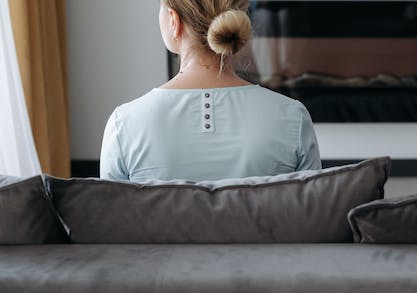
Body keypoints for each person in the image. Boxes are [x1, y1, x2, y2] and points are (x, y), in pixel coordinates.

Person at [100, 0, 321, 182]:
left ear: (174, 21)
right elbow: (311, 217)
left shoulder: (124, 123)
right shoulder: (293, 117)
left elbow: (112, 224)